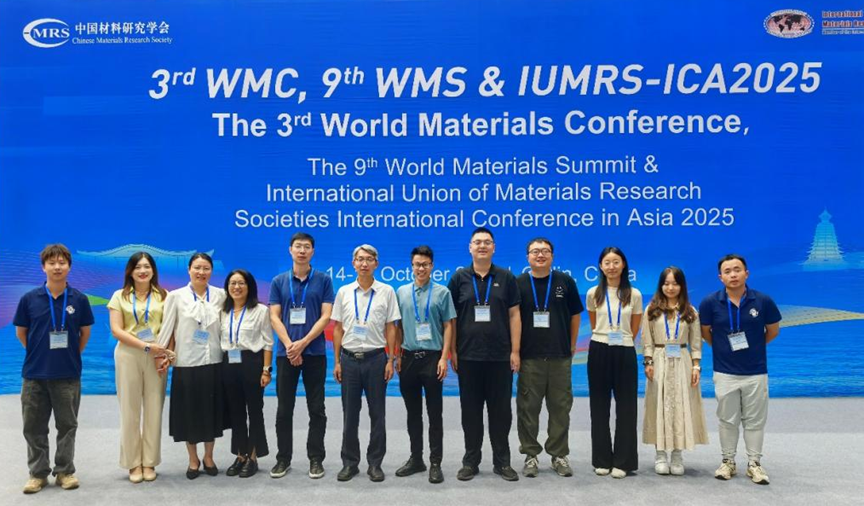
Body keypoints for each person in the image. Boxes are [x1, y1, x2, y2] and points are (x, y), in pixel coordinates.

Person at [14, 244, 94, 494]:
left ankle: (65, 471)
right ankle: (37, 474)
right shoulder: (29, 299)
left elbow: (84, 334)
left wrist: (69, 355)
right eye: (52, 263)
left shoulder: (79, 299)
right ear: (43, 267)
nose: (57, 267)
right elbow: (21, 333)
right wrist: (39, 354)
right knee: (33, 428)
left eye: (62, 262)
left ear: (69, 266)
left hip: (67, 374)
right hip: (34, 375)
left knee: (67, 426)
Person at [448, 227, 521, 482]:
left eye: (487, 242)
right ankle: (470, 462)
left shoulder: (506, 277)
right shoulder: (459, 278)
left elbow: (514, 315)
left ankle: (503, 462)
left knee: (501, 413)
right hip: (468, 357)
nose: (482, 246)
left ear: (494, 248)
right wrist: (452, 350)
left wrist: (515, 350)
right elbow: (451, 318)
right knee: (471, 412)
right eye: (477, 242)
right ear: (470, 247)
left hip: (500, 357)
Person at [699, 254, 781, 485]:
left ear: (747, 273)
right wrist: (723, 349)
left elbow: (773, 331)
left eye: (737, 270)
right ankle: (728, 462)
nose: (733, 275)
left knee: (755, 420)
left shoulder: (763, 301)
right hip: (725, 372)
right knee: (727, 420)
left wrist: (754, 347)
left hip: (756, 371)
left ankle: (754, 463)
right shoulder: (709, 303)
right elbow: (706, 333)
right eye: (727, 271)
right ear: (720, 277)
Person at [331, 244, 400, 482]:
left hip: (376, 359)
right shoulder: (344, 292)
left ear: (376, 264)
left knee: (377, 414)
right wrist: (337, 361)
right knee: (350, 415)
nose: (364, 263)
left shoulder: (387, 291)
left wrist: (390, 359)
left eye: (369, 259)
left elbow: (391, 328)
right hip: (349, 360)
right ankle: (350, 463)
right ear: (353, 263)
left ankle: (375, 463)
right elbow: (337, 329)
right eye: (360, 259)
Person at [515, 238, 583, 478]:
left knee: (560, 409)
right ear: (528, 257)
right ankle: (530, 455)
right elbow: (513, 318)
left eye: (545, 251)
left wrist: (572, 344)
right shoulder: (519, 283)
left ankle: (558, 455)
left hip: (559, 357)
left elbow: (575, 315)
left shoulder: (565, 281)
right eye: (535, 251)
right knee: (527, 409)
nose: (540, 255)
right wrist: (515, 351)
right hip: (529, 357)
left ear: (552, 256)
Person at [269, 232, 334, 479]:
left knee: (316, 409)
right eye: (298, 246)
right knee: (284, 409)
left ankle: (316, 459)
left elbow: (326, 316)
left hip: (315, 353)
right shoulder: (278, 281)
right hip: (286, 354)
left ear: (313, 251)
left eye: (307, 247)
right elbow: (274, 316)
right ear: (290, 250)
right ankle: (283, 459)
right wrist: (290, 346)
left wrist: (303, 343)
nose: (302, 251)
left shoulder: (323, 280)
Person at [157, 252, 227, 479]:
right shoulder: (175, 296)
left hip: (213, 361)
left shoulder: (220, 295)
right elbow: (167, 328)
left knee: (210, 413)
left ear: (211, 271)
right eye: (197, 267)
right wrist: (161, 355)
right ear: (189, 270)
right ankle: (193, 459)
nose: (201, 272)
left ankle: (209, 456)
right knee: (189, 413)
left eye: (206, 268)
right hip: (186, 362)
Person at [394, 246, 456, 484]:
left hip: (433, 358)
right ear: (411, 266)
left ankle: (435, 462)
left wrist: (444, 357)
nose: (421, 268)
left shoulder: (442, 293)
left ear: (432, 266)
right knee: (413, 413)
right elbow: (397, 327)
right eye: (417, 264)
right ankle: (416, 459)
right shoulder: (401, 292)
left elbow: (449, 326)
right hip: (408, 358)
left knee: (434, 413)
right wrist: (396, 355)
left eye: (425, 265)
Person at [107, 252, 171, 483]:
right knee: (129, 409)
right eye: (138, 267)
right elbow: (116, 330)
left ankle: (149, 461)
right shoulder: (119, 296)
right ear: (130, 271)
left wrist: (165, 355)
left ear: (153, 270)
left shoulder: (165, 296)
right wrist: (145, 346)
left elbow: (170, 328)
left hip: (156, 356)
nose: (142, 271)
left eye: (147, 266)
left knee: (154, 408)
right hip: (128, 354)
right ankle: (133, 463)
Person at [641, 266, 708, 476]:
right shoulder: (651, 310)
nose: (670, 288)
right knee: (659, 405)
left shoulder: (690, 312)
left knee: (681, 405)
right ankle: (660, 454)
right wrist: (648, 361)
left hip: (682, 360)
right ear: (661, 285)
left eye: (675, 283)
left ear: (682, 286)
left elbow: (696, 342)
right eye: (667, 283)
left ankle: (677, 455)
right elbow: (647, 340)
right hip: (659, 360)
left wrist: (696, 366)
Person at [586, 246, 642, 479]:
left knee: (627, 407)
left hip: (625, 350)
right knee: (599, 407)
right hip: (599, 349)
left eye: (616, 262)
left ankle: (623, 461)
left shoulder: (634, 294)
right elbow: (594, 324)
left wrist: (621, 339)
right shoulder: (593, 293)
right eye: (607, 262)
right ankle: (601, 459)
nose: (611, 267)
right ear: (600, 266)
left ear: (623, 265)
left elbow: (635, 327)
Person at [221, 269, 274, 478]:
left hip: (252, 363)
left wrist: (266, 370)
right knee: (236, 412)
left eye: (241, 283)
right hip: (229, 363)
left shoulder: (260, 310)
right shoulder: (223, 311)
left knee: (254, 411)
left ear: (249, 286)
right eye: (233, 283)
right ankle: (240, 454)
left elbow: (268, 342)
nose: (236, 287)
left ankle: (253, 456)